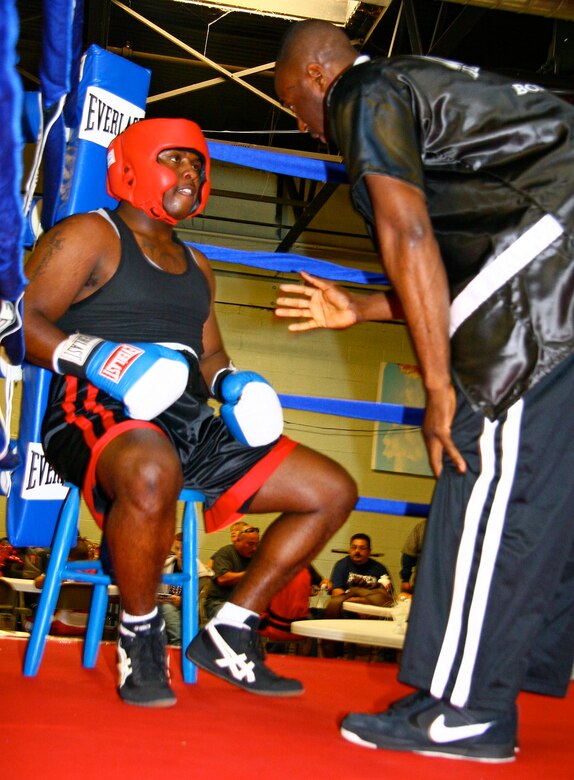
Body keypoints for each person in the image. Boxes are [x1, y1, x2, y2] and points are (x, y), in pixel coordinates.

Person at [274, 19, 574, 763]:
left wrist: (437, 385)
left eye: (295, 109)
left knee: (484, 470)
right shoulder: (434, 92)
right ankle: (496, 675)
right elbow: (465, 268)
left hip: (550, 254)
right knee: (537, 483)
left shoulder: (364, 89)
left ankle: (469, 708)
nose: (309, 131)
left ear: (316, 75)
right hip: (548, 256)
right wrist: (366, 308)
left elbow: (407, 236)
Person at [23, 117, 358, 708]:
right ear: (132, 164)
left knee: (330, 489)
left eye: (198, 165)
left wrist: (235, 383)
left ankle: (230, 631)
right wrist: (102, 358)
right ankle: (140, 633)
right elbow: (16, 323)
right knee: (152, 469)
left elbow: (209, 355)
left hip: (186, 419)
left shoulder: (197, 265)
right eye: (176, 159)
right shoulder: (88, 236)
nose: (191, 173)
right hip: (93, 409)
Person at [203, 526, 260, 621]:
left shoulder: (257, 556)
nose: (254, 548)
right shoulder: (225, 553)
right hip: (219, 602)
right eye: (250, 544)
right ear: (238, 541)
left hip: (245, 604)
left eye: (256, 544)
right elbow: (223, 579)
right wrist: (251, 573)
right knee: (238, 618)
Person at [399, 519, 426, 594]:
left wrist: (405, 580)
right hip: (422, 582)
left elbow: (409, 554)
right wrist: (405, 580)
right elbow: (409, 554)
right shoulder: (423, 526)